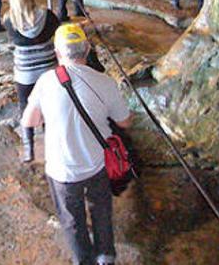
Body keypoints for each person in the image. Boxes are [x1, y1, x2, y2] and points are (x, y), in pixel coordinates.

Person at [21, 23, 132, 265]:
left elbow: (29, 120)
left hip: (62, 169)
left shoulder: (46, 81)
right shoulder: (105, 82)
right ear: (87, 49)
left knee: (72, 220)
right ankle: (106, 256)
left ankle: (84, 260)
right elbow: (124, 122)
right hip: (97, 164)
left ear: (58, 54)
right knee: (101, 210)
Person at [4, 0, 60, 162]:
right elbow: (57, 31)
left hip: (25, 72)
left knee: (25, 108)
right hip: (48, 70)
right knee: (50, 108)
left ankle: (29, 149)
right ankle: (51, 147)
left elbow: (14, 40)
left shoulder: (9, 20)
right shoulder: (47, 15)